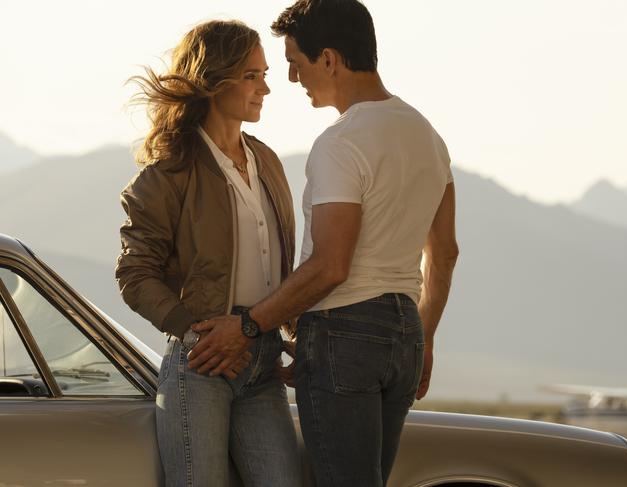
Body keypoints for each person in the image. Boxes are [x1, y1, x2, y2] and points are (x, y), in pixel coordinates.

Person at [188, 1, 459, 485]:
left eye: (296, 62)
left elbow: (332, 265)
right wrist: (426, 338)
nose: (291, 78)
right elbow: (444, 253)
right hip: (406, 336)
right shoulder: (429, 137)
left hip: (346, 333)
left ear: (329, 59)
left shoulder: (341, 142)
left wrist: (248, 326)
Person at [115, 20, 301, 487]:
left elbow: (282, 267)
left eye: (264, 74)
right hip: (201, 366)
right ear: (216, 79)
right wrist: (192, 333)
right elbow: (135, 274)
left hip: (263, 360)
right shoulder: (167, 174)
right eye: (252, 76)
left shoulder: (269, 162)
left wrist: (296, 332)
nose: (266, 88)